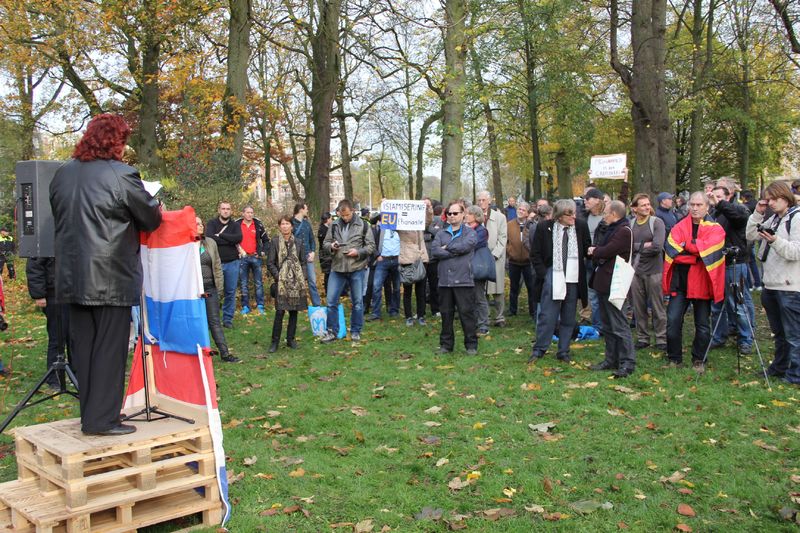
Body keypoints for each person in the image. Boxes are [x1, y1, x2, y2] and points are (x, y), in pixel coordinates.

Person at [50, 113, 162, 436]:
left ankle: (91, 414)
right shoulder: (121, 174)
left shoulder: (62, 174)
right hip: (109, 277)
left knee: (84, 348)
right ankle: (103, 419)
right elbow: (150, 218)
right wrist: (155, 201)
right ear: (115, 142)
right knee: (109, 349)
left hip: (72, 278)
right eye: (123, 141)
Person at [662, 192, 725, 372]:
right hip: (680, 284)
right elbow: (672, 250)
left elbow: (710, 252)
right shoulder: (679, 226)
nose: (695, 208)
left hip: (702, 285)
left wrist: (687, 246)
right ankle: (674, 358)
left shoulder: (716, 229)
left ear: (707, 207)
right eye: (692, 205)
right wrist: (697, 253)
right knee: (673, 321)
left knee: (703, 325)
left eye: (699, 205)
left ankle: (699, 359)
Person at [746, 181, 800, 383]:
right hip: (770, 284)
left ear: (785, 197)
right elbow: (750, 235)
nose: (770, 203)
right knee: (779, 333)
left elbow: (796, 251)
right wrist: (757, 214)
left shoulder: (796, 218)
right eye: (767, 200)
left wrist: (775, 241)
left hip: (790, 285)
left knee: (793, 334)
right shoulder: (775, 218)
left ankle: (796, 374)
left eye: (773, 199)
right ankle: (780, 367)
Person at [530, 199, 591, 363]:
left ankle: (563, 350)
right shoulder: (544, 227)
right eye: (569, 214)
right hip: (552, 277)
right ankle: (539, 349)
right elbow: (535, 254)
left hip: (573, 278)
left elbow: (587, 248)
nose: (573, 217)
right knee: (547, 316)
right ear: (559, 215)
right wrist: (545, 275)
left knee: (568, 317)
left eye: (574, 213)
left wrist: (595, 251)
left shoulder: (580, 226)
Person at [588, 201, 636, 377]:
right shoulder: (611, 229)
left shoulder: (624, 231)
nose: (604, 216)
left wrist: (595, 251)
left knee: (619, 324)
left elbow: (608, 250)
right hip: (604, 282)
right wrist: (597, 250)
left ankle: (627, 362)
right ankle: (611, 359)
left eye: (606, 213)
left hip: (615, 284)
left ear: (614, 214)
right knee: (607, 325)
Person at [707, 184, 756, 353]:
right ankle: (719, 336)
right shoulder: (713, 214)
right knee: (716, 304)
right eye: (713, 197)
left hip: (734, 263)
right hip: (716, 263)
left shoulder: (737, 210)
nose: (715, 200)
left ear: (728, 197)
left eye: (719, 197)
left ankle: (745, 339)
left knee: (738, 303)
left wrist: (720, 203)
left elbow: (739, 219)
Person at [321, 199, 376, 343]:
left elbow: (371, 246)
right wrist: (331, 246)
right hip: (337, 268)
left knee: (357, 302)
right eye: (342, 215)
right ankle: (332, 331)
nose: (345, 218)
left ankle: (356, 331)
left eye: (347, 215)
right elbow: (325, 243)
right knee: (331, 301)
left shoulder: (363, 225)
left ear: (353, 211)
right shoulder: (334, 225)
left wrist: (358, 252)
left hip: (356, 268)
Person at [431, 201, 478, 355]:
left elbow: (466, 246)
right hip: (445, 281)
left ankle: (471, 345)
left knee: (466, 314)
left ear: (463, 214)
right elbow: (435, 251)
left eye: (455, 213)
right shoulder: (441, 233)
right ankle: (446, 345)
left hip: (464, 280)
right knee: (446, 314)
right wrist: (453, 251)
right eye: (449, 213)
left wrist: (447, 247)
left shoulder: (470, 233)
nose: (451, 216)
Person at [196, 217, 238, 363]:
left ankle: (225, 353)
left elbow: (217, 266)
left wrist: (219, 287)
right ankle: (196, 354)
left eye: (201, 223)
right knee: (196, 322)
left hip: (209, 287)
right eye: (196, 224)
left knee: (214, 321)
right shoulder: (185, 246)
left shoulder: (210, 243)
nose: (200, 226)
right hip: (193, 291)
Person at [628, 194, 667, 350]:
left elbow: (657, 247)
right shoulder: (631, 224)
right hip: (636, 271)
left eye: (648, 204)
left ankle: (661, 338)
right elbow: (626, 246)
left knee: (657, 306)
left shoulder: (657, 222)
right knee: (638, 307)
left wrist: (636, 247)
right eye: (643, 205)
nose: (646, 207)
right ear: (634, 208)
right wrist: (644, 245)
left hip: (654, 271)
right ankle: (643, 338)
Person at [26, 257, 71, 389]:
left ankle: (76, 374)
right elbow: (34, 266)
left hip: (73, 293)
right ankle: (54, 377)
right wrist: (39, 294)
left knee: (74, 337)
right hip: (54, 294)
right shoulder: (43, 244)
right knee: (57, 337)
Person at [268, 215, 308, 353]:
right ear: (279, 226)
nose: (285, 226)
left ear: (291, 226)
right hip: (281, 283)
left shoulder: (299, 242)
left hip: (296, 283)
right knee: (280, 311)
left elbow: (303, 262)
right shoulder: (274, 242)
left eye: (287, 223)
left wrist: (302, 277)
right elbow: (270, 263)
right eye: (282, 224)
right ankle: (275, 342)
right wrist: (279, 276)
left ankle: (291, 339)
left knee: (293, 312)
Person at [206, 202, 242, 329]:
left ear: (231, 211)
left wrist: (221, 235)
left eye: (228, 209)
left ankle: (227, 320)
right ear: (219, 210)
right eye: (223, 208)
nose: (225, 211)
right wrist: (229, 240)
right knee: (214, 292)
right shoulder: (212, 224)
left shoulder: (235, 225)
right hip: (216, 264)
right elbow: (210, 238)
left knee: (230, 292)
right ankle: (213, 320)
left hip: (232, 263)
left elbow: (238, 238)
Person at [477, 190, 508, 328]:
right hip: (480, 257)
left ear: (489, 201)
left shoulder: (499, 217)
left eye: (483, 200)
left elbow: (503, 238)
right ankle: (485, 316)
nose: (481, 202)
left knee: (497, 289)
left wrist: (495, 254)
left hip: (495, 257)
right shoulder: (475, 217)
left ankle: (500, 317)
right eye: (479, 200)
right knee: (482, 288)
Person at [579, 188, 605, 331]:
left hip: (602, 261)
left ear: (597, 200)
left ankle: (605, 324)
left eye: (588, 199)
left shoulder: (606, 217)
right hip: (587, 260)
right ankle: (597, 325)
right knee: (592, 294)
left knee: (603, 294)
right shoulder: (583, 216)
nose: (585, 201)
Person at [366, 216, 401, 321]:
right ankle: (376, 313)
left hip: (397, 260)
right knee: (376, 286)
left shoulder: (400, 229)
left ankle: (394, 310)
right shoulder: (378, 229)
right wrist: (377, 255)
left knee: (397, 287)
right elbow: (371, 243)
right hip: (383, 260)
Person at [236, 206, 269, 316]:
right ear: (243, 213)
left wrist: (262, 252)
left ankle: (260, 306)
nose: (250, 214)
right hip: (242, 258)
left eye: (251, 212)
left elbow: (266, 241)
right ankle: (245, 306)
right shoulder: (237, 225)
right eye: (247, 212)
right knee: (243, 284)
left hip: (255, 257)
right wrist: (236, 252)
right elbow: (232, 241)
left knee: (258, 283)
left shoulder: (258, 224)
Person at [507, 201, 536, 319]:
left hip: (528, 262)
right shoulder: (509, 224)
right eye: (519, 209)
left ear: (527, 213)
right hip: (513, 261)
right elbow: (506, 240)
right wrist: (509, 251)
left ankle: (533, 311)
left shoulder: (532, 225)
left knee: (531, 287)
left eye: (523, 210)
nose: (520, 211)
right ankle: (512, 310)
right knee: (514, 287)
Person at [465, 205, 491, 335]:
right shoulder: (464, 228)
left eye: (468, 214)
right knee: (469, 297)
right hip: (465, 267)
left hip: (477, 267)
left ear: (475, 216)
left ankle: (483, 324)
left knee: (479, 296)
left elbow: (472, 245)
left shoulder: (482, 231)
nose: (466, 216)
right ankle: (473, 322)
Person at [292, 202, 321, 306]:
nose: (307, 210)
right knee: (296, 282)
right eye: (306, 209)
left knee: (312, 282)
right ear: (301, 209)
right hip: (296, 258)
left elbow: (312, 240)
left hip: (308, 257)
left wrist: (313, 252)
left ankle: (317, 305)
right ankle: (297, 304)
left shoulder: (307, 224)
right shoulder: (290, 223)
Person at [399, 228, 428, 326]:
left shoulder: (419, 224)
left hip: (421, 259)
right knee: (407, 292)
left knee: (421, 292)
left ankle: (421, 316)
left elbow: (428, 221)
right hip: (407, 260)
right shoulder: (401, 226)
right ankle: (408, 317)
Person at [423, 199, 444, 317]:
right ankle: (421, 311)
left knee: (434, 285)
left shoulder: (438, 220)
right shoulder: (415, 220)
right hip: (421, 258)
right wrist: (429, 234)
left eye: (428, 205)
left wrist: (428, 229)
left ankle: (435, 309)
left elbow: (438, 234)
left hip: (434, 258)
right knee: (421, 286)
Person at [318, 212, 333, 293]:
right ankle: (328, 291)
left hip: (329, 253)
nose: (332, 220)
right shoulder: (322, 229)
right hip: (324, 254)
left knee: (330, 273)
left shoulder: (328, 228)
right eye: (331, 218)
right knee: (327, 273)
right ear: (327, 219)